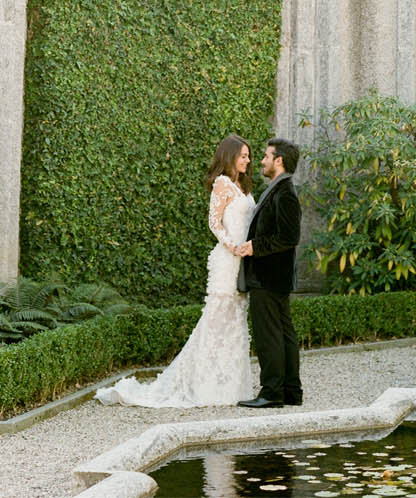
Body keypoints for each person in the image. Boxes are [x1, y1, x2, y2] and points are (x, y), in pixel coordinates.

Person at [96, 135, 257, 407]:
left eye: (249, 156)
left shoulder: (243, 185)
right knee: (216, 322)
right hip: (227, 260)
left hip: (243, 260)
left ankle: (231, 386)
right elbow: (214, 223)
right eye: (243, 155)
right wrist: (233, 246)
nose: (247, 160)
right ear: (229, 156)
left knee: (236, 322)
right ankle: (204, 385)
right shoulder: (223, 184)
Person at [237, 138, 303, 408]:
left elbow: (289, 237)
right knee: (284, 333)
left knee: (269, 336)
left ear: (279, 161)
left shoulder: (284, 192)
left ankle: (272, 393)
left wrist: (255, 246)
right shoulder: (279, 189)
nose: (261, 161)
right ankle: (290, 391)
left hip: (268, 276)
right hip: (276, 276)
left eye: (265, 156)